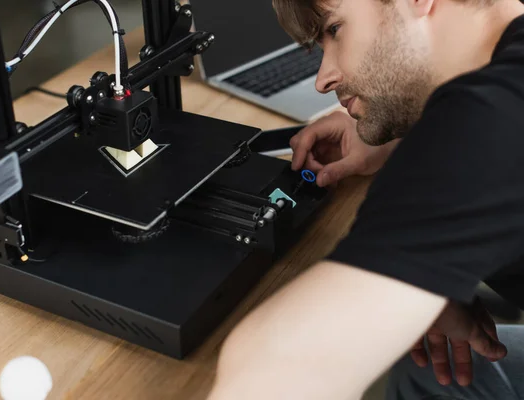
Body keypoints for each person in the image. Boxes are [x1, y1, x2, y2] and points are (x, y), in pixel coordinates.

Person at [204, 0, 524, 398]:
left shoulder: (491, 120)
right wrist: (398, 136)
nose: (323, 79)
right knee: (427, 372)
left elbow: (280, 366)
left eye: (336, 30)